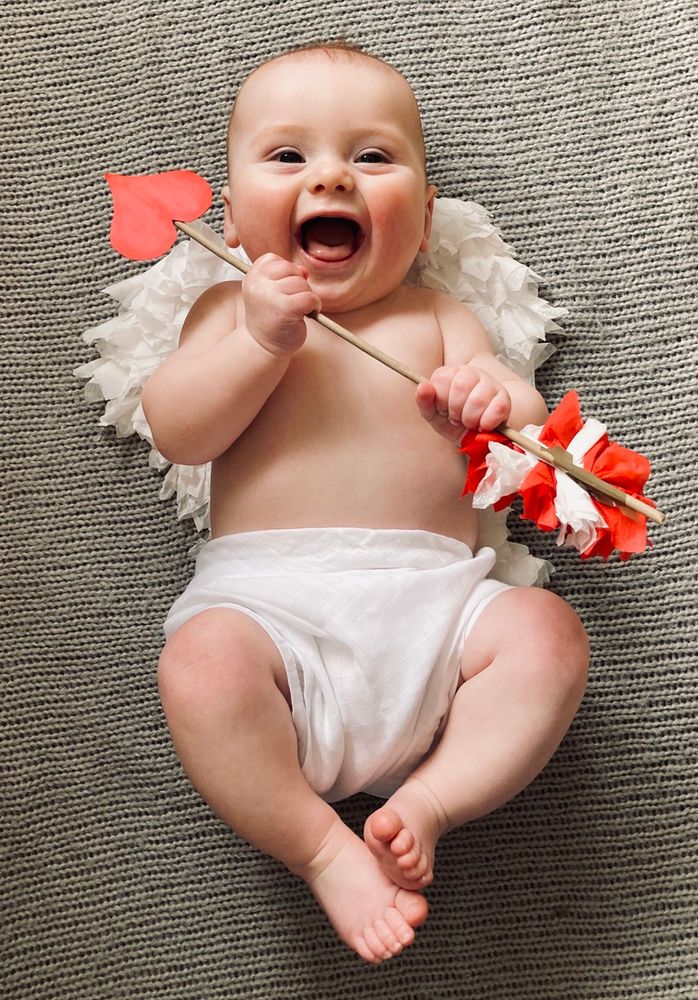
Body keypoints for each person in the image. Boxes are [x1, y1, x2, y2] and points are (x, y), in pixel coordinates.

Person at [142, 42, 589, 964]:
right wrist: (259, 341)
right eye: (288, 156)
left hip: (440, 607)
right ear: (229, 219)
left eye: (373, 157)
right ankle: (317, 845)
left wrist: (491, 405)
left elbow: (527, 426)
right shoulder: (227, 312)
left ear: (424, 222)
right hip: (271, 615)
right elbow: (180, 430)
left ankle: (431, 796)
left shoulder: (435, 318)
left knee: (548, 635)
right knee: (198, 668)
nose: (332, 176)